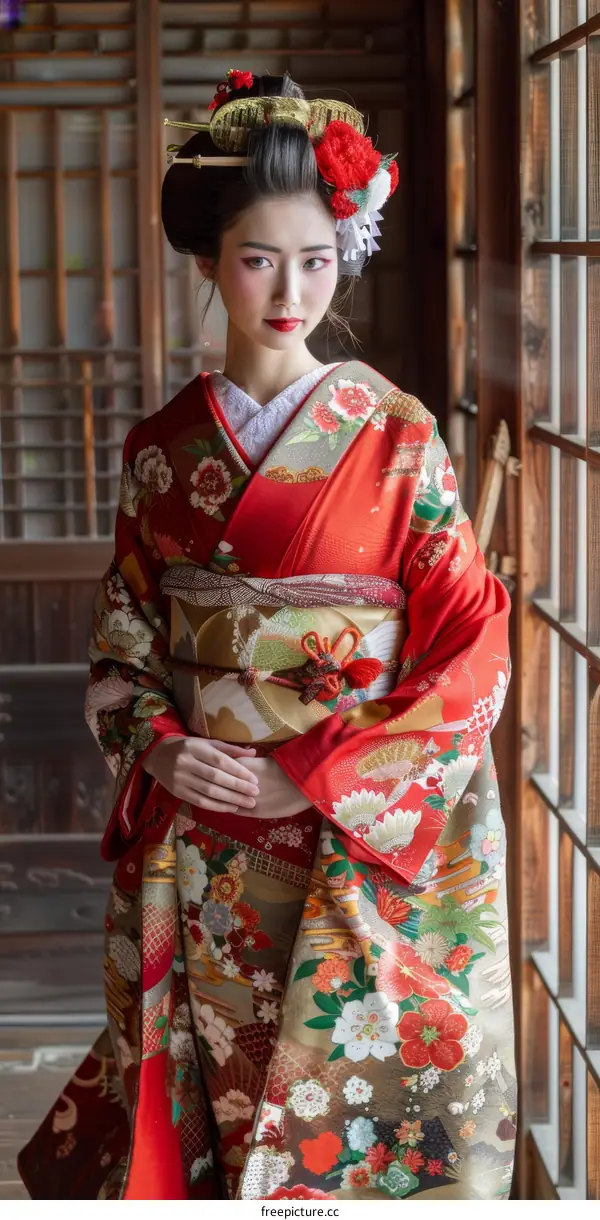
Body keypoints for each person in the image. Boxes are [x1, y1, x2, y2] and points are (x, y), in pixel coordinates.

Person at [19, 71, 516, 1201]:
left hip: (346, 839)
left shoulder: (398, 439)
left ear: (345, 251)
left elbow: (471, 648)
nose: (291, 289)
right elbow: (123, 637)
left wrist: (315, 775)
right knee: (218, 1104)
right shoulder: (162, 450)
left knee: (341, 1114)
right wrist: (154, 744)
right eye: (258, 258)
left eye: (316, 257)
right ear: (210, 262)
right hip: (202, 842)